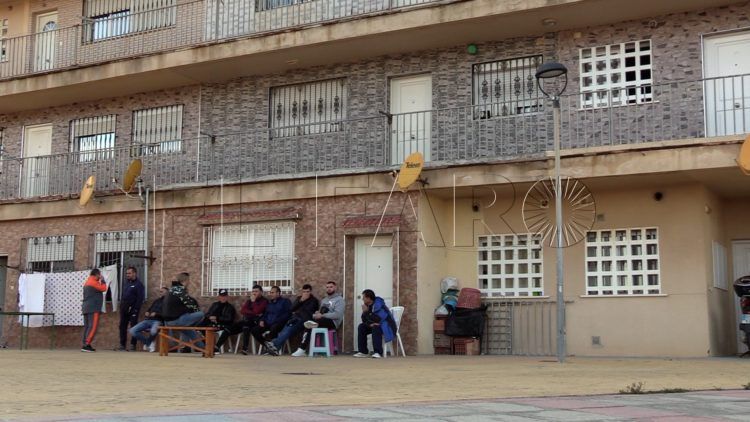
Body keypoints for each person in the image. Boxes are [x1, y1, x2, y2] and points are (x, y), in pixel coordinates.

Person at [290, 281, 344, 357]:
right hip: (321, 320)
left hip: (333, 322)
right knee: (310, 323)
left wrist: (322, 315)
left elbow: (337, 315)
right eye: (327, 287)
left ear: (335, 288)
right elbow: (320, 312)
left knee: (310, 324)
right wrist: (317, 313)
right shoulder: (324, 300)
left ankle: (302, 348)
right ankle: (302, 348)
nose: (329, 289)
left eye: (331, 287)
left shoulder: (339, 299)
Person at [265, 284, 318, 356]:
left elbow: (308, 312)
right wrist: (301, 301)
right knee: (285, 331)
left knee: (287, 330)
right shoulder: (299, 298)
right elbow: (292, 309)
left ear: (310, 292)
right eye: (304, 292)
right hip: (295, 319)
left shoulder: (314, 300)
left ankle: (273, 344)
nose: (305, 293)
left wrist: (299, 311)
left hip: (305, 320)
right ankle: (275, 347)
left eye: (307, 292)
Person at [216, 285, 266, 354]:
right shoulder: (249, 301)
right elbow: (243, 311)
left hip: (256, 322)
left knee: (246, 326)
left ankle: (245, 349)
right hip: (246, 320)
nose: (254, 293)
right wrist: (253, 312)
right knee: (228, 328)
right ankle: (217, 347)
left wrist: (253, 303)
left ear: (261, 292)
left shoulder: (264, 301)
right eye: (253, 291)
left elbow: (257, 311)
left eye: (256, 291)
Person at [162, 273, 205, 352]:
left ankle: (204, 349)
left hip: (167, 321)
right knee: (201, 314)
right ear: (186, 280)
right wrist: (194, 313)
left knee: (190, 331)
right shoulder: (180, 290)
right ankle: (190, 326)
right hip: (176, 320)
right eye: (189, 280)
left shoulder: (171, 289)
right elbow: (191, 305)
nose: (189, 282)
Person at [353, 289, 397, 359]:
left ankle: (378, 352)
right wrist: (369, 323)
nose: (362, 299)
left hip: (386, 325)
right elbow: (364, 320)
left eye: (364, 297)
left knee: (376, 327)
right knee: (361, 327)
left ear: (368, 298)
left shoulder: (379, 305)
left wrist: (367, 312)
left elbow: (379, 319)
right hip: (376, 325)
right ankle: (363, 352)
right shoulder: (367, 306)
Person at [251, 285, 291, 352]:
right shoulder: (270, 303)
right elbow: (265, 314)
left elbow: (288, 314)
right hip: (268, 323)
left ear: (278, 293)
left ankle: (272, 348)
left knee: (274, 328)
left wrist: (277, 320)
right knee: (254, 330)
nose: (270, 294)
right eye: (270, 292)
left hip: (279, 324)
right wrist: (262, 320)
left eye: (272, 292)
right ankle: (267, 346)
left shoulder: (285, 301)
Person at [129, 287, 168, 353]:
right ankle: (149, 342)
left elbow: (167, 314)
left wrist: (157, 314)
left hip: (158, 321)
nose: (160, 293)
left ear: (167, 293)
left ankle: (148, 343)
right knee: (132, 331)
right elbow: (150, 309)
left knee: (153, 331)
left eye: (162, 291)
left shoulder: (168, 302)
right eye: (160, 291)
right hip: (148, 320)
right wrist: (147, 312)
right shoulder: (157, 300)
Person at [116, 266, 145, 351]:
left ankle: (133, 345)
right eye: (127, 273)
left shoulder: (139, 284)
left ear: (134, 273)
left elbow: (140, 298)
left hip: (133, 309)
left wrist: (135, 309)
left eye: (129, 273)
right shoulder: (126, 283)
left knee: (134, 327)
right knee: (122, 326)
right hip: (124, 308)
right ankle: (122, 345)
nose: (127, 275)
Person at [81, 268, 107, 352]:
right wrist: (103, 280)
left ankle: (85, 344)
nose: (100, 276)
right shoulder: (94, 282)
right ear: (96, 274)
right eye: (100, 274)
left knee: (87, 327)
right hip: (93, 308)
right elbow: (104, 288)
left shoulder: (87, 281)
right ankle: (87, 344)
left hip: (86, 307)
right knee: (92, 327)